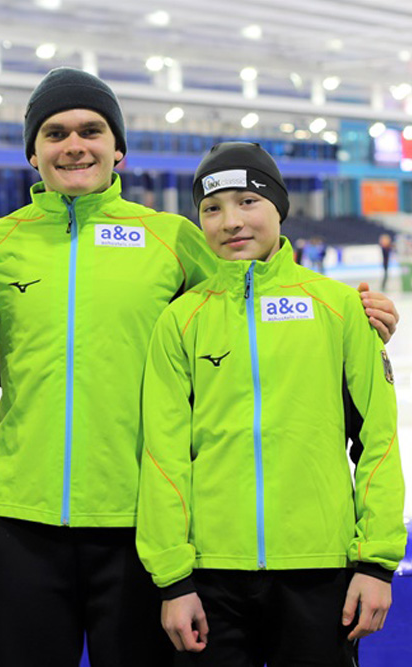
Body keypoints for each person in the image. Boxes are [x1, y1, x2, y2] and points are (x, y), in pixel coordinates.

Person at [0, 67, 401, 667]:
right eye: (54, 132)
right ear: (33, 152)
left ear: (116, 147)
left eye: (91, 130)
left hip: (136, 522)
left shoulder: (172, 238)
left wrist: (351, 315)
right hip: (23, 514)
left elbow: (242, 290)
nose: (74, 145)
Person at [136, 141, 405, 666]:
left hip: (320, 570)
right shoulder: (181, 320)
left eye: (247, 201)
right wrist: (172, 578)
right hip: (212, 576)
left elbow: (380, 439)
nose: (230, 221)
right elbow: (163, 454)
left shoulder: (340, 309)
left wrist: (375, 563)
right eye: (212, 208)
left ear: (279, 207)